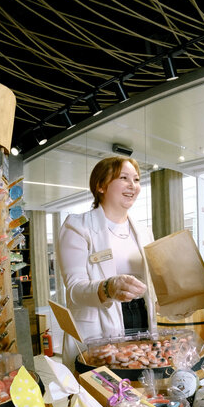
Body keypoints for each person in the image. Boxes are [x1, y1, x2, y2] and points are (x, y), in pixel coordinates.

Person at [57, 156, 157, 368]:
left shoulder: (144, 232)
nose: (133, 185)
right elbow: (74, 289)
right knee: (105, 384)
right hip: (98, 326)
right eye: (124, 178)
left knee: (138, 378)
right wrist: (108, 288)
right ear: (101, 186)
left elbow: (153, 284)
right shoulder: (77, 227)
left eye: (136, 179)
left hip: (141, 319)